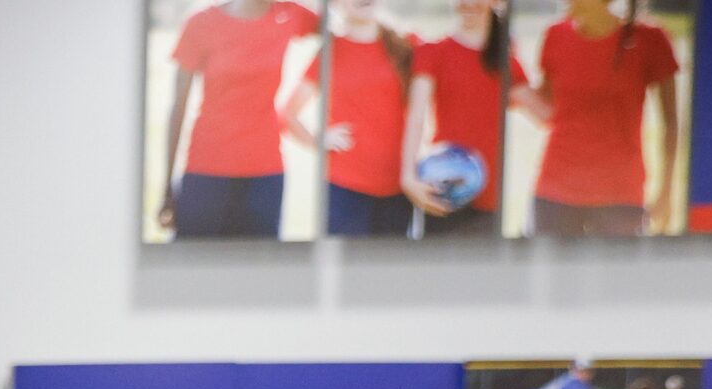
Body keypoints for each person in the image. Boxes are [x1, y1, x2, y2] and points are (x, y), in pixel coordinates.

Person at [158, 0, 319, 239]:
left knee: (259, 272)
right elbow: (178, 106)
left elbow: (344, 27)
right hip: (206, 171)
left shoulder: (289, 13)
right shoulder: (201, 22)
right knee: (194, 267)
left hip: (265, 174)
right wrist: (167, 187)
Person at [529, 0, 681, 237]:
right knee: (548, 273)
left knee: (617, 275)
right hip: (555, 191)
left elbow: (670, 122)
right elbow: (546, 110)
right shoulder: (555, 35)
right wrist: (511, 85)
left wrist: (666, 193)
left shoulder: (650, 39)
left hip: (620, 195)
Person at [286, 0, 413, 237]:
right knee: (344, 271)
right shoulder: (331, 51)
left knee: (390, 270)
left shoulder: (407, 44)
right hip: (344, 189)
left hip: (399, 187)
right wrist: (317, 139)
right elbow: (288, 113)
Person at [404, 0, 531, 237]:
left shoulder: (507, 61)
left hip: (490, 195)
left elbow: (546, 113)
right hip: (442, 188)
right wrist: (408, 177)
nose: (469, 3)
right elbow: (416, 117)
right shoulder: (433, 51)